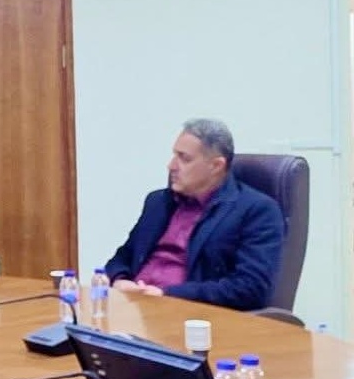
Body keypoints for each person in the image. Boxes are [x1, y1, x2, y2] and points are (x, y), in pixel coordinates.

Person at [104, 119, 284, 311]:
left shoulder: (257, 211)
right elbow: (122, 257)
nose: (171, 166)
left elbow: (251, 288)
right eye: (174, 155)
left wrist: (168, 294)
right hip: (137, 308)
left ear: (216, 166)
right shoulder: (158, 202)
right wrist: (120, 279)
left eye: (184, 158)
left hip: (191, 315)